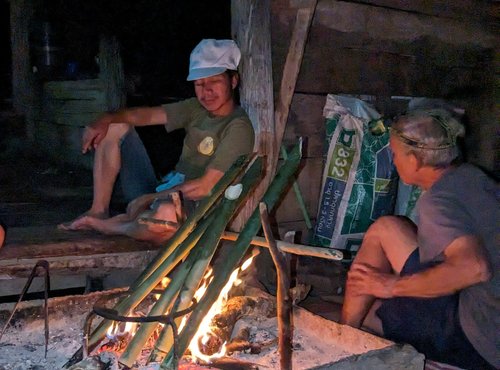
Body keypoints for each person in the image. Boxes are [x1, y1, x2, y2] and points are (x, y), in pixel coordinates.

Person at [340, 109, 499, 369]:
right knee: (386, 229)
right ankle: (346, 330)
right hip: (484, 304)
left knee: (371, 313)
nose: (394, 160)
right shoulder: (471, 176)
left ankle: (341, 344)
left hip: (481, 339)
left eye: (395, 154)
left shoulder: (437, 201)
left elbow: (474, 268)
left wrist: (391, 286)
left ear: (413, 161)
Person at [59, 39, 255, 244]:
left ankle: (112, 226)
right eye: (199, 84)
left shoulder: (238, 127)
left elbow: (206, 187)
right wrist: (105, 118)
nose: (206, 91)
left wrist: (148, 199)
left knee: (166, 217)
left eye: (214, 82)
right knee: (116, 125)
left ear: (233, 81)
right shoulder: (196, 108)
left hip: (192, 204)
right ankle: (99, 211)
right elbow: (145, 116)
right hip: (164, 189)